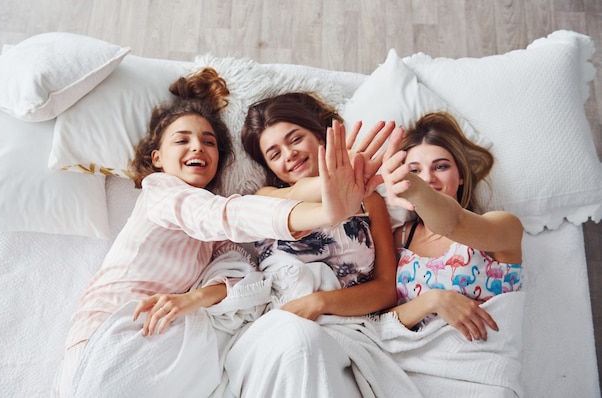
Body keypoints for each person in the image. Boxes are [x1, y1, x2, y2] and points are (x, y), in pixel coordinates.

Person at [51, 69, 374, 398]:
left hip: (170, 337)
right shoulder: (160, 192)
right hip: (111, 335)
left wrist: (193, 297)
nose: (198, 148)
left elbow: (241, 278)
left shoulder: (218, 231)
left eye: (209, 142)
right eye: (182, 140)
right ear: (157, 158)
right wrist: (326, 213)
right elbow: (223, 214)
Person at [223, 92, 402, 397]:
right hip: (278, 327)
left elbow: (387, 289)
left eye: (295, 139)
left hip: (342, 331)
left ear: (321, 136)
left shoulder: (370, 200)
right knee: (300, 343)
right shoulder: (265, 198)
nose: (289, 154)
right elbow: (296, 195)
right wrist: (332, 182)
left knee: (313, 350)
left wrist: (318, 303)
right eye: (274, 154)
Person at [380, 111, 524, 342]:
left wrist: (412, 186)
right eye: (414, 170)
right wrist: (434, 301)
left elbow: (451, 223)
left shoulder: (502, 227)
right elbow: (381, 320)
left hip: (479, 367)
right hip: (407, 369)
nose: (427, 178)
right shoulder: (400, 238)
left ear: (461, 176)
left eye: (440, 167)